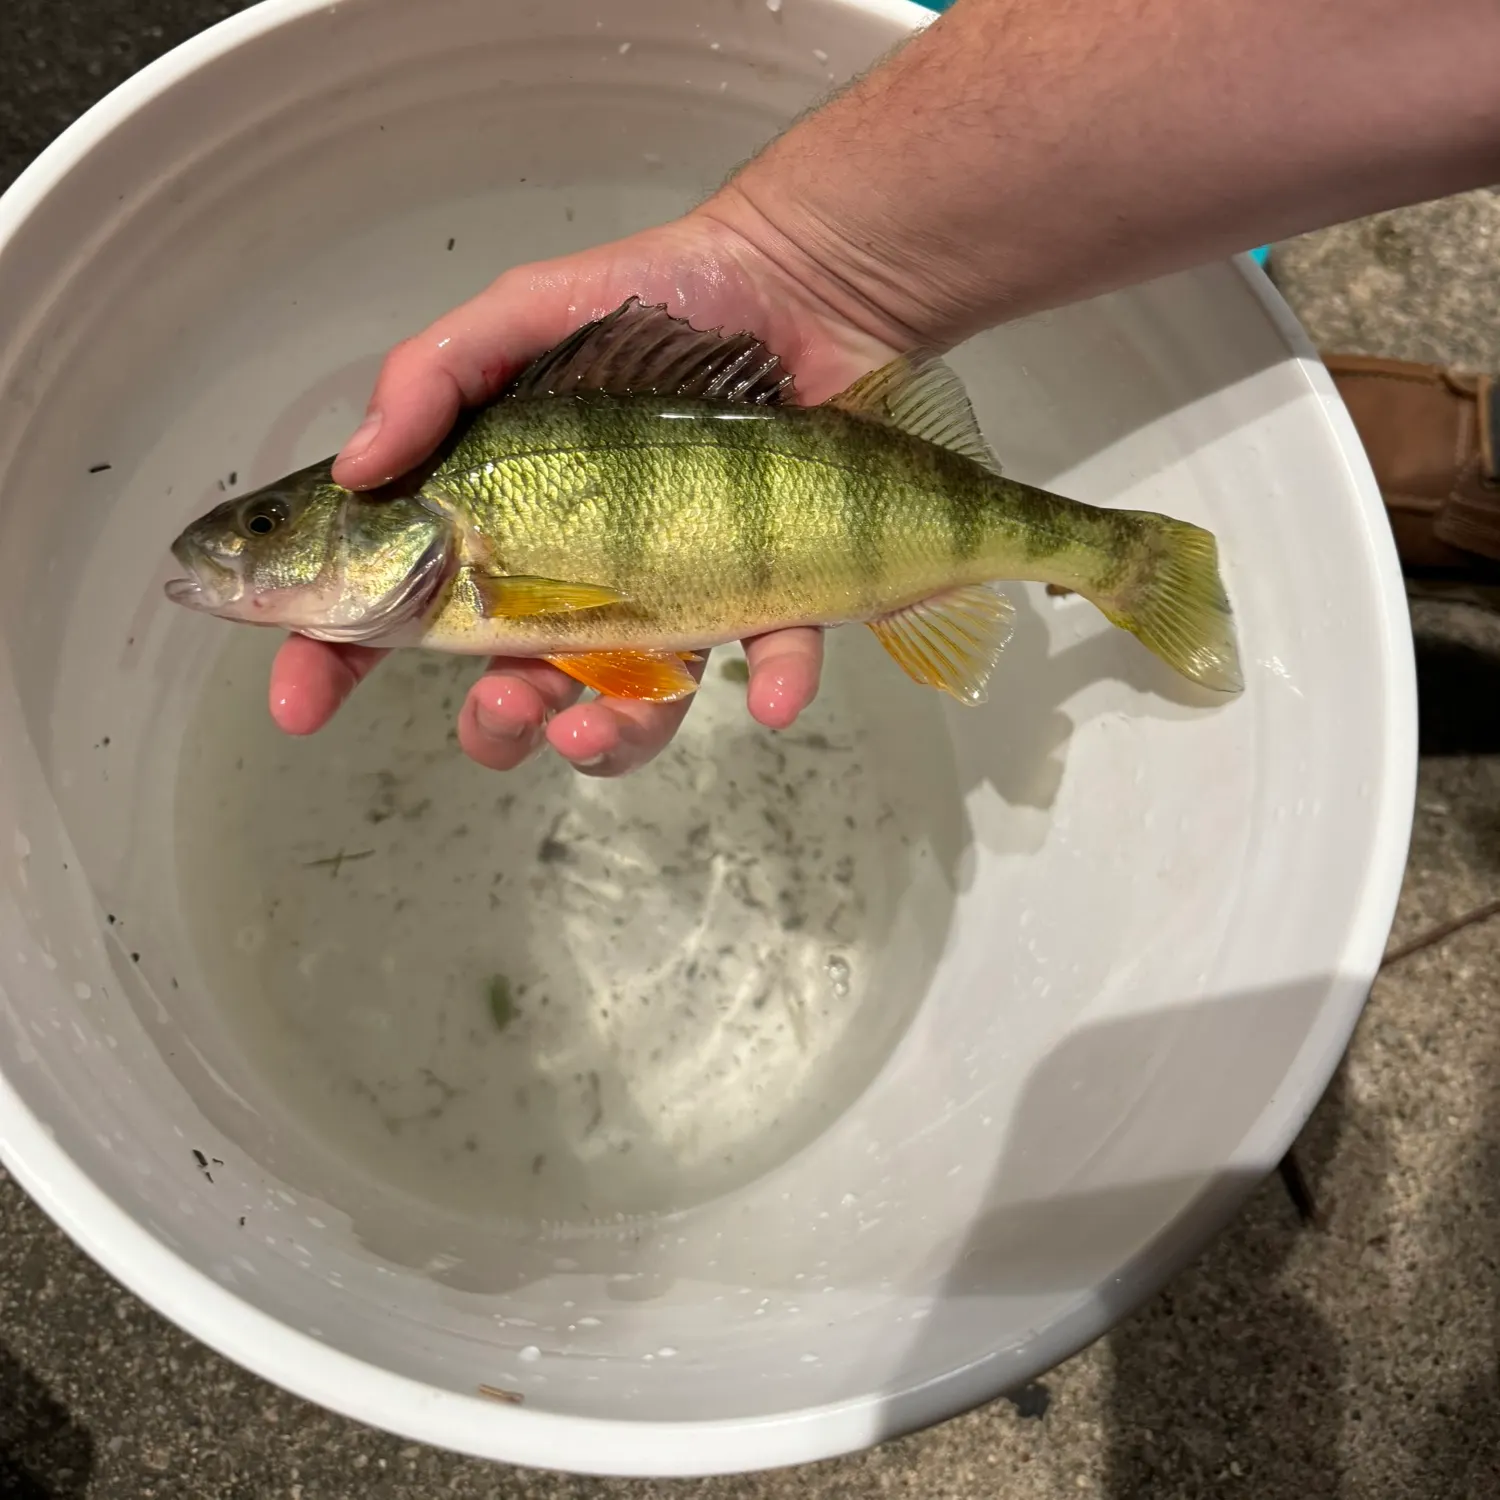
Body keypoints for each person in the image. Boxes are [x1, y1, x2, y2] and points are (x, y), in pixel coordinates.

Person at [268, 0, 1500, 778]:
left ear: (373, 505)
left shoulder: (466, 526)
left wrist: (793, 261)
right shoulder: (466, 544)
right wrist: (803, 260)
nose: (253, 553)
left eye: (271, 527)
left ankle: (1127, 556)